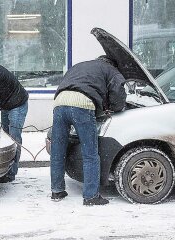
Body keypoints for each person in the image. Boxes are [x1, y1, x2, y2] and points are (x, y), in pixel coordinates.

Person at [50, 55, 126, 205]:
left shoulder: (80, 65)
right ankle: (91, 196)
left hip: (59, 103)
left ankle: (57, 191)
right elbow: (117, 92)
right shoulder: (111, 70)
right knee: (90, 153)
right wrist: (115, 108)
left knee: (58, 151)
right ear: (112, 64)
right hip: (82, 105)